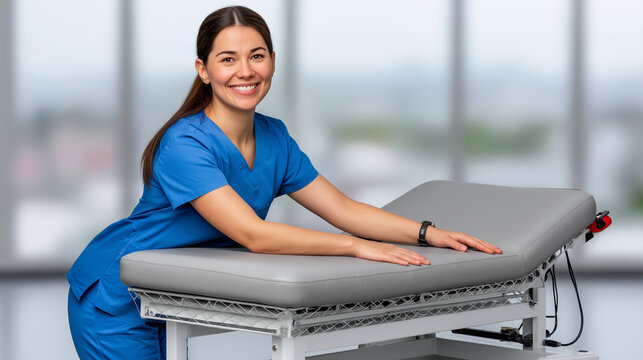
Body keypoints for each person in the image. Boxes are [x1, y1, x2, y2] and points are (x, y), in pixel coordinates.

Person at [66, 5, 502, 360]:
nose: (245, 71)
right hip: (117, 297)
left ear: (272, 61)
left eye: (257, 55)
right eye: (228, 59)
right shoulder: (185, 143)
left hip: (177, 291)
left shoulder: (274, 136)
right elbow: (252, 234)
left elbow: (345, 210)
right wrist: (352, 245)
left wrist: (428, 233)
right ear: (203, 70)